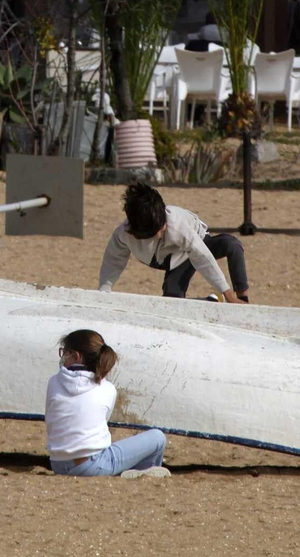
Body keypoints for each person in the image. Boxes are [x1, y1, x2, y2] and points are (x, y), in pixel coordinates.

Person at [45, 329, 168, 478]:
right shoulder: (107, 388)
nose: (63, 357)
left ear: (76, 356)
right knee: (158, 437)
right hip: (91, 466)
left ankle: (134, 472)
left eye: (64, 353)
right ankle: (142, 474)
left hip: (57, 464)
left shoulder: (53, 382)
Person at [97, 183, 249, 302]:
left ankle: (243, 301)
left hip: (198, 243)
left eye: (161, 229)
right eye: (152, 233)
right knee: (172, 299)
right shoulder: (123, 234)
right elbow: (113, 261)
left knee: (232, 245)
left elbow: (201, 256)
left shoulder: (177, 225)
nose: (159, 235)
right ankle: (209, 301)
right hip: (166, 259)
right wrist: (104, 292)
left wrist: (229, 295)